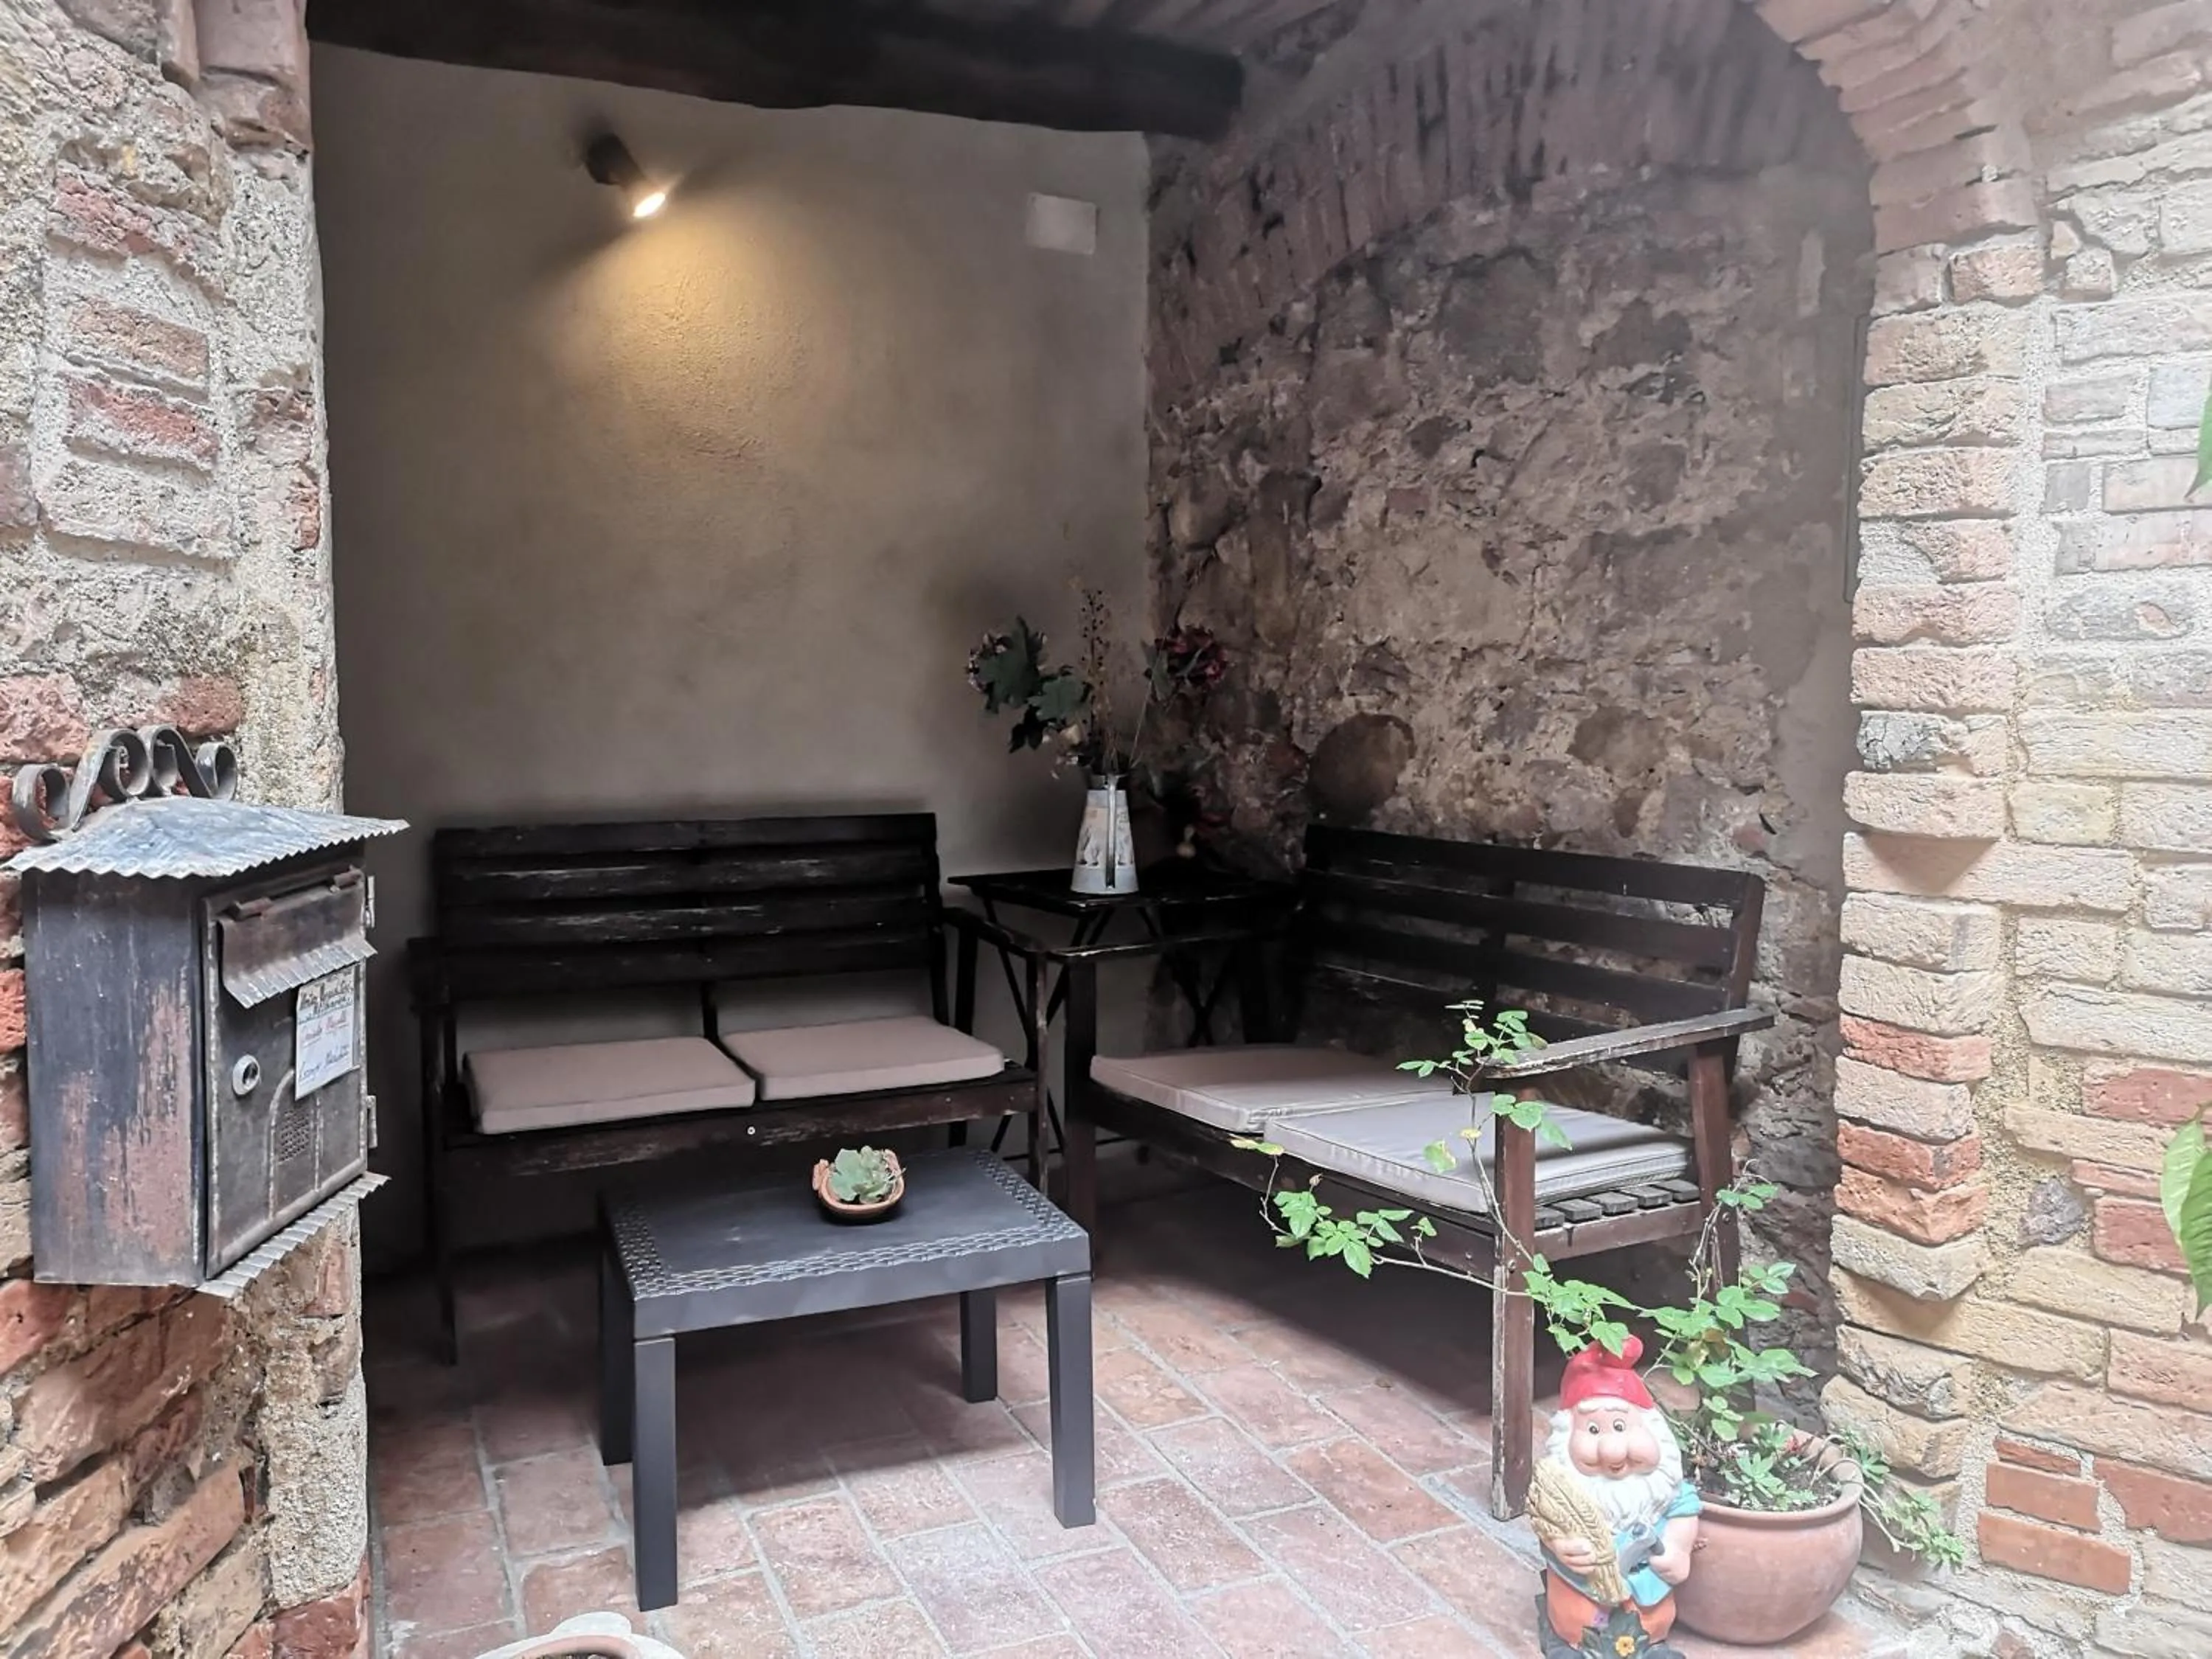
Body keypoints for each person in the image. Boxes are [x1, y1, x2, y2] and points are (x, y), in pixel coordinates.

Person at [1532, 1335, 1700, 1658]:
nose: (1612, 1451)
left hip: (1646, 1596)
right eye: (1593, 1430)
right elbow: (1547, 1521)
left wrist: (1678, 1549)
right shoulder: (1560, 1491)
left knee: (1649, 1628)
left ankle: (1652, 1646)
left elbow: (1684, 1514)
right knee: (1580, 1626)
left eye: (1621, 1427)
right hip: (1584, 1596)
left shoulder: (1663, 1488)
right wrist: (1561, 1545)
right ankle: (1573, 1644)